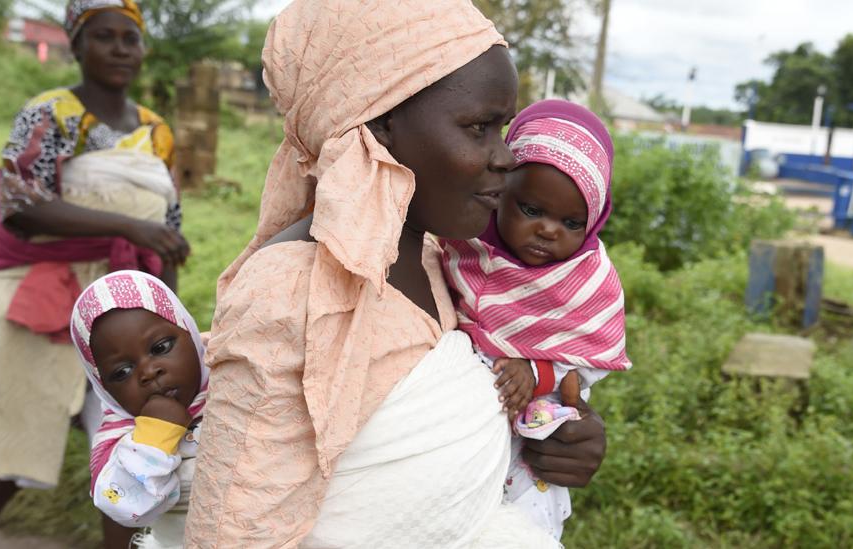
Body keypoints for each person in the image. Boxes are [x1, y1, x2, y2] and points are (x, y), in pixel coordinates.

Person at [185, 1, 607, 547]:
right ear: (381, 126)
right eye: (479, 127)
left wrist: (559, 434)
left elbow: (446, 428)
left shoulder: (437, 262)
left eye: (502, 128)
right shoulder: (292, 295)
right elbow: (235, 532)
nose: (507, 157)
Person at [0, 2, 189, 547]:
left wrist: (167, 316)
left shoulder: (156, 130)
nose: (121, 49)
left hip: (125, 313)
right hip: (45, 294)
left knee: (137, 452)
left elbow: (167, 230)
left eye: (131, 39)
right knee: (10, 449)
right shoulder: (50, 114)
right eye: (104, 37)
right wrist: (130, 228)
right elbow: (19, 204)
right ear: (76, 44)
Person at [441, 99, 629, 540]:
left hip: (531, 446)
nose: (549, 230)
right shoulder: (460, 245)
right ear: (501, 189)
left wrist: (538, 370)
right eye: (531, 210)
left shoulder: (585, 279)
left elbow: (585, 361)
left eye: (571, 222)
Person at [70, 270, 208, 549]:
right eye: (122, 372)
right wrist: (155, 438)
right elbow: (122, 505)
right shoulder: (120, 439)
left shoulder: (237, 378)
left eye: (161, 347)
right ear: (103, 387)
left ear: (189, 333)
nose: (148, 372)